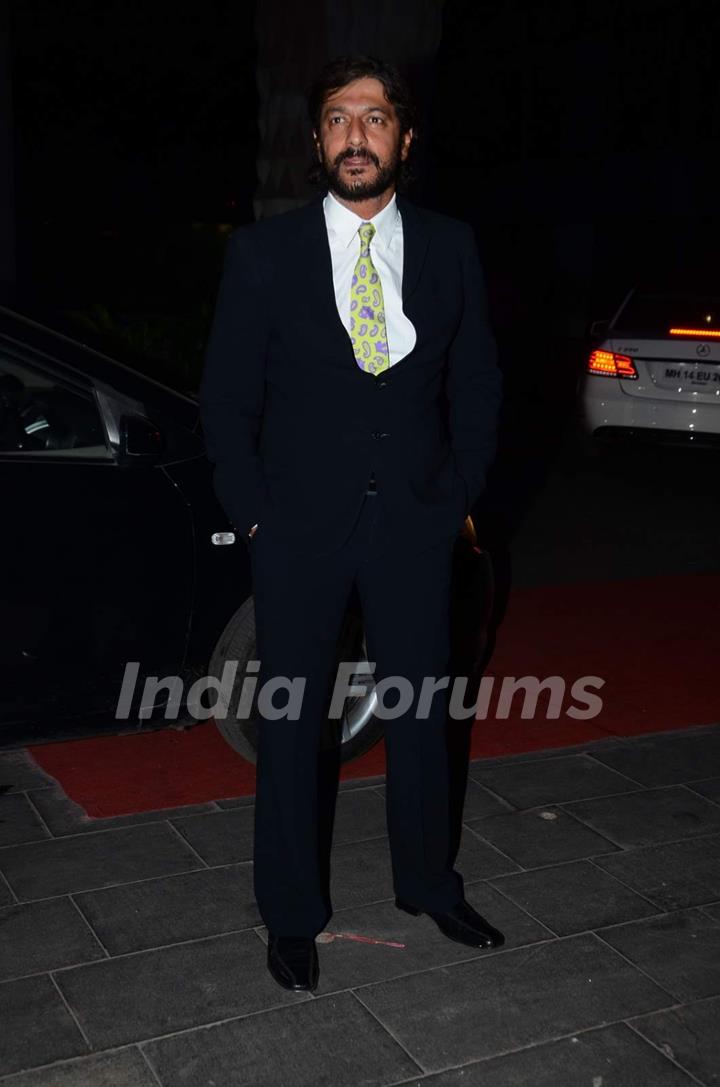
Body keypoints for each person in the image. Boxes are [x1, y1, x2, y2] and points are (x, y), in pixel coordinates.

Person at [199, 55, 504, 993]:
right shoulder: (264, 254)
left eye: (374, 119)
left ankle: (428, 883)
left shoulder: (451, 245)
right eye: (337, 119)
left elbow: (480, 383)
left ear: (405, 139)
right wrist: (255, 521)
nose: (355, 135)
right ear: (319, 142)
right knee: (291, 725)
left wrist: (458, 499)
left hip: (415, 525)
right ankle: (291, 915)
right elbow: (224, 399)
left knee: (420, 716)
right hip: (297, 532)